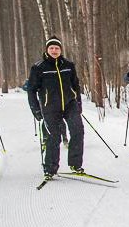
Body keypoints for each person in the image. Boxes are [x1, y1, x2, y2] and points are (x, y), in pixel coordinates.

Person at [27, 37, 85, 179]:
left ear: (61, 50)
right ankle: (50, 169)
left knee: (78, 131)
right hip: (50, 107)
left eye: (57, 48)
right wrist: (36, 110)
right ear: (47, 50)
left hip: (70, 104)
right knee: (54, 137)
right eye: (51, 48)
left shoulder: (68, 65)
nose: (54, 50)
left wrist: (78, 103)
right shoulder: (39, 67)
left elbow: (76, 85)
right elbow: (31, 90)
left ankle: (75, 164)